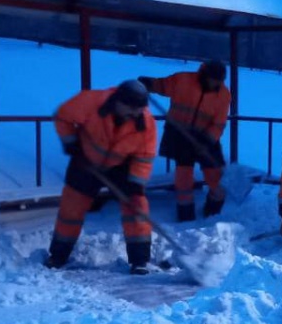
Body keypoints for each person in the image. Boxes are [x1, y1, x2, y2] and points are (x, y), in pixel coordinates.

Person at [44, 79, 157, 274]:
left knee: (137, 207)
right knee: (72, 208)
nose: (136, 114)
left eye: (139, 109)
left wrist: (136, 183)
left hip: (121, 166)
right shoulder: (91, 102)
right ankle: (58, 256)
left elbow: (145, 156)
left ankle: (139, 260)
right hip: (85, 160)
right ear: (119, 102)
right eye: (132, 109)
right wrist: (71, 143)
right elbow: (62, 116)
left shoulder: (145, 123)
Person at [138, 60, 231, 222]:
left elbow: (218, 123)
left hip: (205, 137)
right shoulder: (183, 80)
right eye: (212, 80)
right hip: (179, 134)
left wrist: (207, 141)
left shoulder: (223, 94)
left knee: (216, 174)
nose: (215, 84)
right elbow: (162, 85)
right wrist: (148, 84)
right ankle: (185, 213)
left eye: (219, 81)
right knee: (184, 175)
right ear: (204, 75)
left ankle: (213, 212)